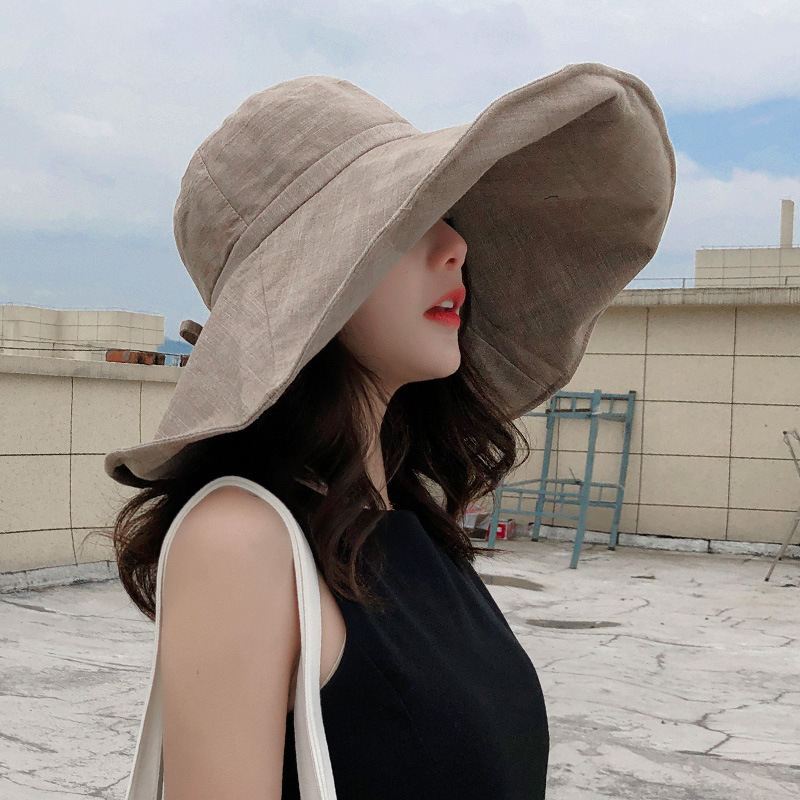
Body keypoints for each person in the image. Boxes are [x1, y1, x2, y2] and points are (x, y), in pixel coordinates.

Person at [104, 64, 675, 799]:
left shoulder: (409, 518)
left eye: (447, 210)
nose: (455, 245)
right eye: (406, 220)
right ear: (307, 286)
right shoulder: (240, 540)